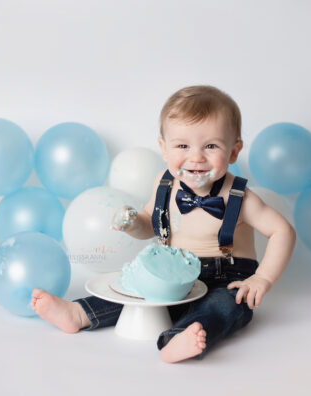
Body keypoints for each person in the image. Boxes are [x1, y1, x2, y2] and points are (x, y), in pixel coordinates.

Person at [31, 85, 296, 363]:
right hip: (171, 272)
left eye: (211, 146)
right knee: (133, 289)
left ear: (233, 151)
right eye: (182, 145)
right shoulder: (164, 184)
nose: (196, 157)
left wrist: (262, 278)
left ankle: (181, 336)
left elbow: (282, 231)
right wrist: (134, 223)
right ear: (163, 148)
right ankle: (80, 314)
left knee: (226, 307)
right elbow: (151, 225)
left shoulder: (240, 197)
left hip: (225, 278)